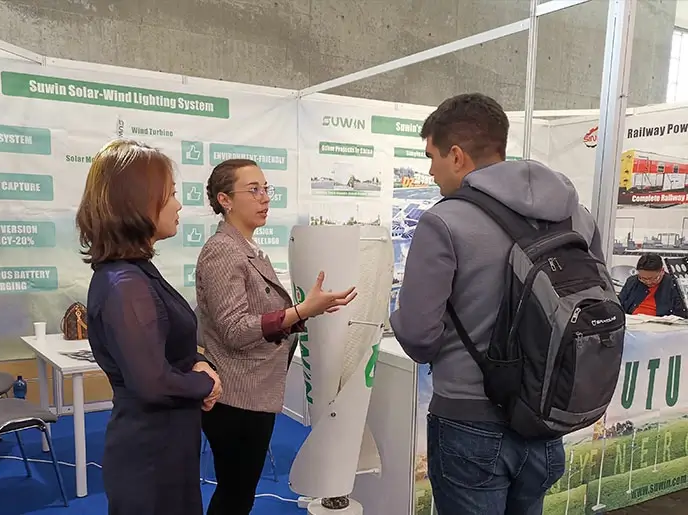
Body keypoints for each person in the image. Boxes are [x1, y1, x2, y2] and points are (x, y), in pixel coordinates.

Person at [390, 94, 606, 515]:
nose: (430, 171)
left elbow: (418, 337)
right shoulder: (577, 216)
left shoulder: (444, 221)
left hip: (469, 422)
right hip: (546, 417)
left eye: (431, 157)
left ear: (456, 156)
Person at [196, 158, 356, 515]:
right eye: (253, 190)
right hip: (237, 397)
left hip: (253, 392)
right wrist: (300, 311)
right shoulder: (224, 250)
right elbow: (235, 330)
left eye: (265, 188)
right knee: (235, 496)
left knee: (238, 495)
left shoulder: (247, 249)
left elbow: (259, 318)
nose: (265, 197)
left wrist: (306, 312)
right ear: (225, 200)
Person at [76, 139, 222, 515]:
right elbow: (152, 382)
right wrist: (205, 383)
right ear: (138, 202)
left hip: (167, 448)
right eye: (170, 194)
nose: (179, 204)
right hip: (150, 457)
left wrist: (198, 364)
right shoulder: (125, 284)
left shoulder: (136, 272)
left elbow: (166, 349)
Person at [619, 253, 687, 317]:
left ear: (662, 271)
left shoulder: (673, 285)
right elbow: (619, 305)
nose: (648, 282)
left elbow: (681, 313)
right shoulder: (632, 281)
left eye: (653, 278)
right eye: (643, 278)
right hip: (632, 320)